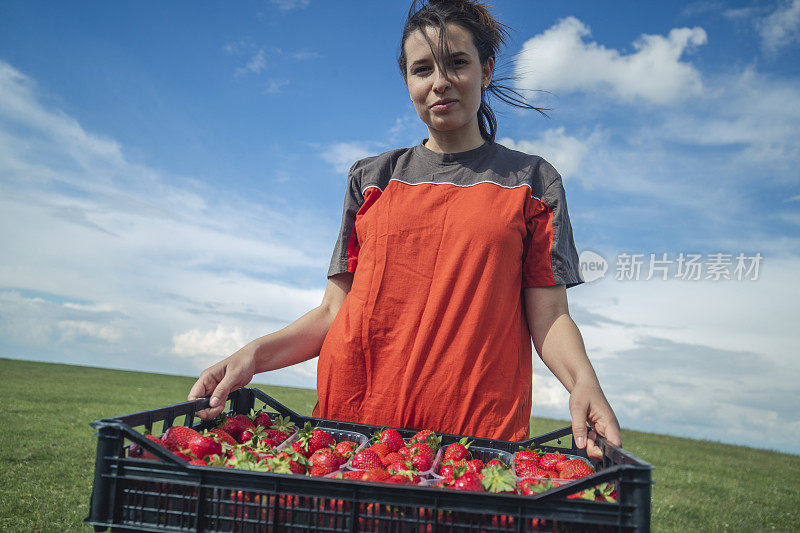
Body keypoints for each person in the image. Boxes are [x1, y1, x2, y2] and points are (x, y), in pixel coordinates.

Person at [189, 0, 621, 460]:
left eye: (457, 63)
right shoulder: (371, 178)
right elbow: (335, 311)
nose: (440, 82)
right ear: (407, 82)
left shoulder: (533, 183)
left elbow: (549, 316)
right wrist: (253, 356)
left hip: (471, 440)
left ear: (487, 70)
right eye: (422, 70)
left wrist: (584, 382)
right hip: (351, 430)